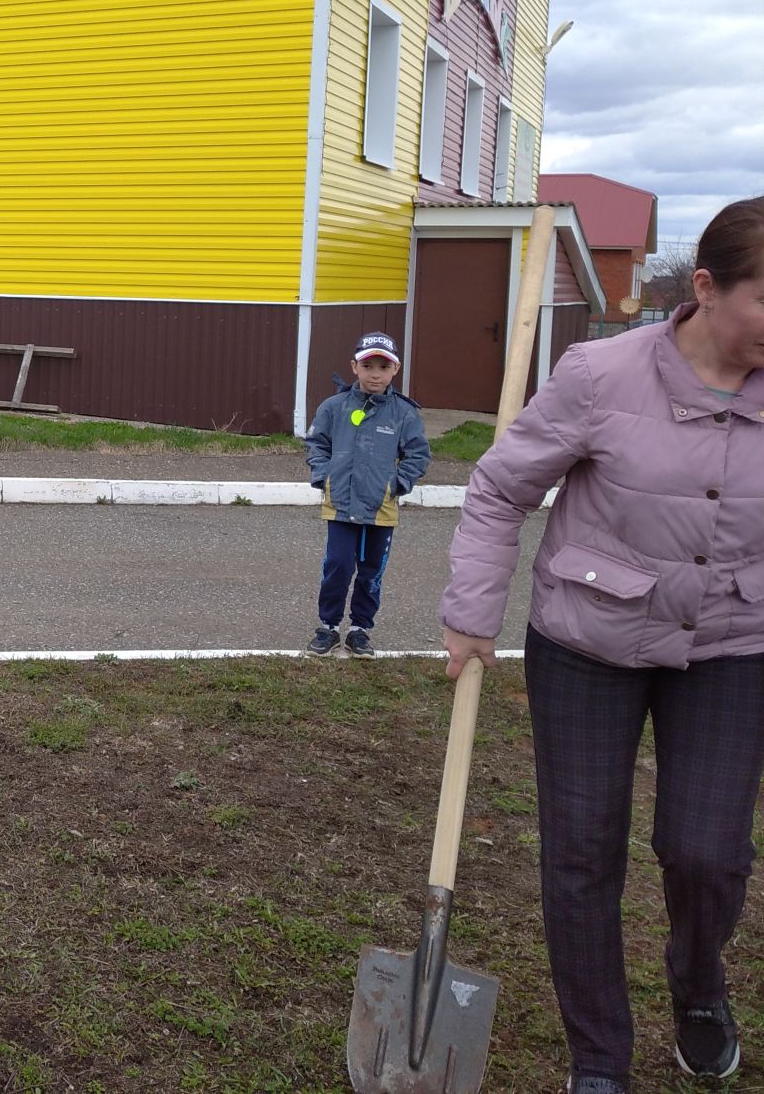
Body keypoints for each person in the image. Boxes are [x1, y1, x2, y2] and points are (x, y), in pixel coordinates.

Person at [439, 196, 764, 1093]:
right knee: (582, 852)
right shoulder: (599, 375)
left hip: (733, 643)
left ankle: (698, 988)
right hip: (588, 641)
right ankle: (599, 1058)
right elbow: (501, 492)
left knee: (707, 851)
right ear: (704, 289)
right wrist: (472, 610)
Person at [303, 332, 431, 657]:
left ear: (395, 370)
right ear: (354, 367)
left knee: (371, 570)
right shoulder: (334, 408)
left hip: (381, 509)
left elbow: (418, 454)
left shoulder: (404, 413)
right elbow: (317, 444)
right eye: (368, 365)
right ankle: (329, 626)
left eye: (383, 366)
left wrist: (397, 484)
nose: (375, 373)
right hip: (341, 506)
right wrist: (324, 476)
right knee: (338, 565)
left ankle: (360, 629)